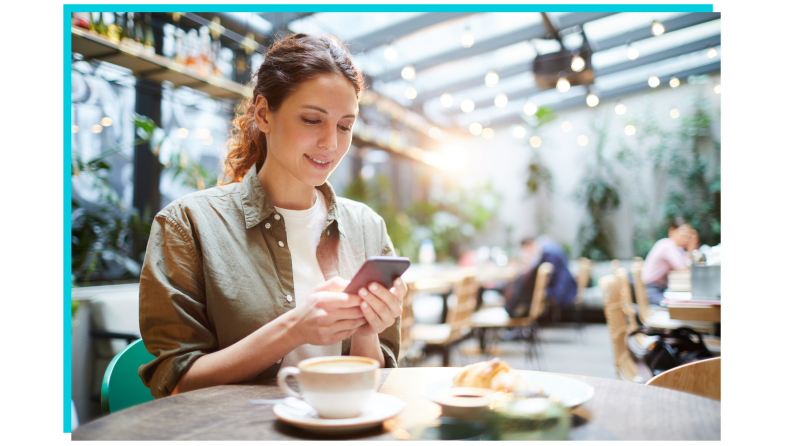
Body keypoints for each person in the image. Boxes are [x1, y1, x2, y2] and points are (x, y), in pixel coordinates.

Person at [137, 34, 407, 399]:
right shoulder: (188, 225)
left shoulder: (366, 227)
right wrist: (295, 327)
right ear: (264, 114)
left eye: (345, 125)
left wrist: (366, 327)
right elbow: (177, 385)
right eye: (312, 120)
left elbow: (374, 380)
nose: (331, 143)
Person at [504, 236, 577, 318]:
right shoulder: (546, 246)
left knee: (527, 289)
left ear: (528, 245)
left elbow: (549, 278)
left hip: (561, 290)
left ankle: (517, 314)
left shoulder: (547, 252)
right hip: (563, 286)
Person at [641, 218, 698, 305]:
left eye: (688, 236)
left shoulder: (677, 249)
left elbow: (686, 264)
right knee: (677, 305)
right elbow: (683, 269)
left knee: (681, 303)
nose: (686, 239)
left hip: (659, 289)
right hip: (650, 291)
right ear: (672, 231)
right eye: (683, 234)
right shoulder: (667, 245)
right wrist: (691, 248)